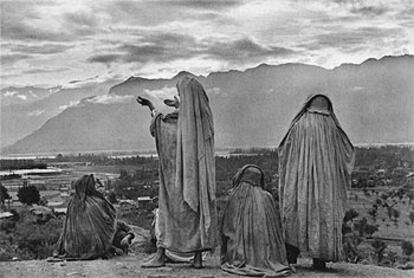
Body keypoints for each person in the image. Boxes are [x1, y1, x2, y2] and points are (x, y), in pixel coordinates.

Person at [137, 76, 217, 268]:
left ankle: (161, 254)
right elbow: (190, 118)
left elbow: (158, 127)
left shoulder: (171, 125)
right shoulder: (204, 120)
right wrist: (181, 106)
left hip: (174, 180)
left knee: (168, 212)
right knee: (195, 213)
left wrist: (151, 106)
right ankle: (197, 258)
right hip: (197, 179)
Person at [278, 94, 355, 270]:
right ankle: (319, 261)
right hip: (326, 184)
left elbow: (284, 149)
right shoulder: (333, 127)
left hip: (301, 181)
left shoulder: (299, 125)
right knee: (322, 214)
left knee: (296, 213)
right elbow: (347, 151)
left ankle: (291, 257)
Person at [220, 165, 291, 277]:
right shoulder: (267, 197)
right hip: (267, 252)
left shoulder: (234, 196)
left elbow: (227, 228)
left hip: (238, 253)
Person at [55, 174, 117, 260]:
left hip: (72, 247)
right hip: (94, 246)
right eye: (95, 184)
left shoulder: (73, 203)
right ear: (90, 186)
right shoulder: (98, 202)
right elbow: (110, 219)